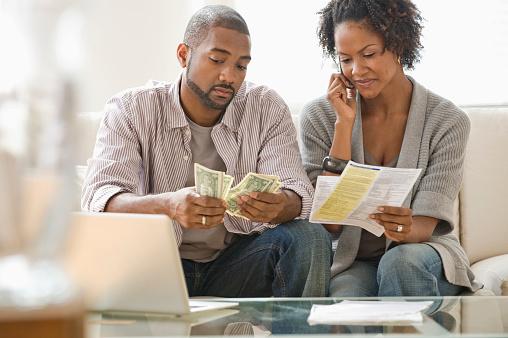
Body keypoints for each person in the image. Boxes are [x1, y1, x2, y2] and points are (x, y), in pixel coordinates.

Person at [82, 5, 332, 297]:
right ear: (183, 55)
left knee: (309, 237)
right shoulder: (131, 109)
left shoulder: (266, 107)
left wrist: (280, 204)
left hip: (235, 264)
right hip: (155, 266)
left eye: (241, 66)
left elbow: (298, 192)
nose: (229, 76)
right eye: (216, 60)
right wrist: (168, 206)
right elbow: (100, 198)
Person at [300, 0, 481, 296]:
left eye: (368, 54)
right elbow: (330, 224)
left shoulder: (448, 121)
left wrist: (403, 227)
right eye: (345, 59)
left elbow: (424, 225)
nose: (357, 70)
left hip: (422, 252)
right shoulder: (320, 115)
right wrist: (343, 126)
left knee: (400, 263)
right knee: (346, 300)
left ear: (398, 44)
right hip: (354, 261)